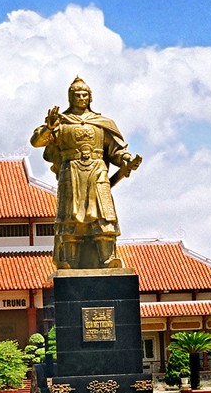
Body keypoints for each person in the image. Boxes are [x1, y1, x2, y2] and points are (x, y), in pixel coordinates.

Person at [31, 76, 141, 269]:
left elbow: (115, 150)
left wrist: (126, 159)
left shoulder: (101, 123)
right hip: (71, 172)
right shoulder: (61, 122)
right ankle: (70, 260)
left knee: (104, 216)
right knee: (70, 219)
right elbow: (37, 142)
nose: (81, 98)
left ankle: (107, 258)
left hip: (98, 171)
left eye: (85, 95)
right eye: (77, 95)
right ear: (70, 98)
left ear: (90, 97)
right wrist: (49, 127)